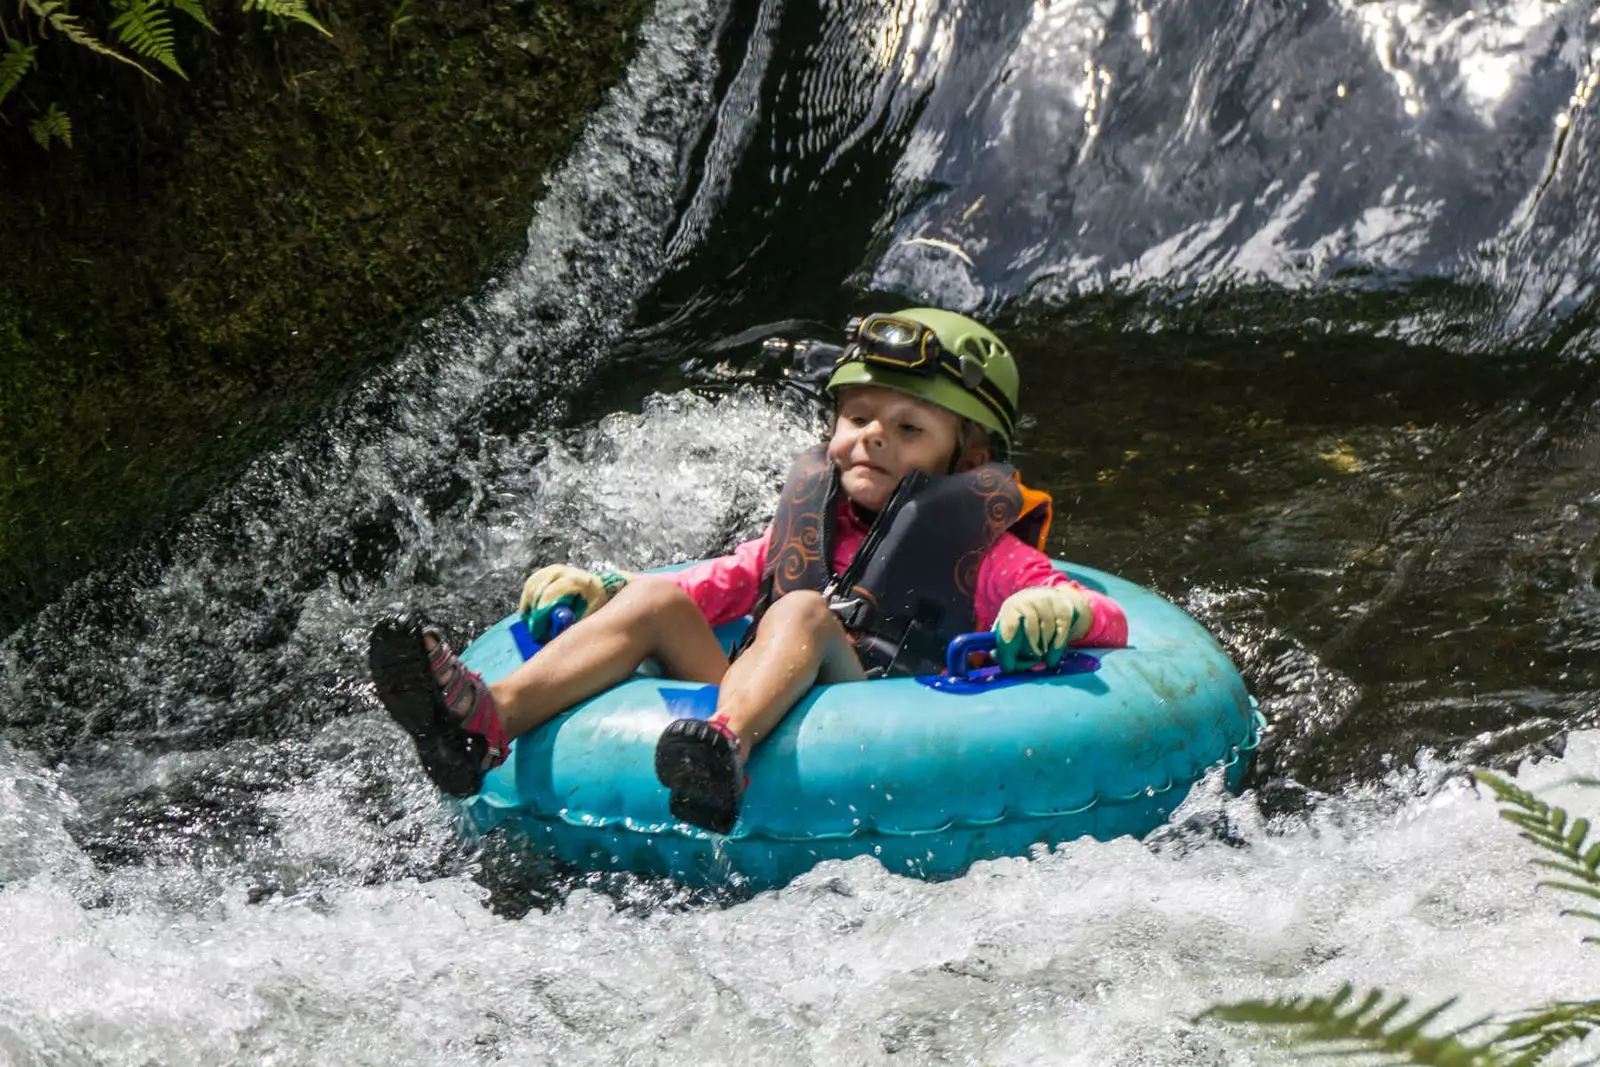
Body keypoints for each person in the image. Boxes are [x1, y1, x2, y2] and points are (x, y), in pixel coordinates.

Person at [368, 308, 1128, 833]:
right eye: (857, 418)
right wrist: (602, 591)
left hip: (870, 717)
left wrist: (1052, 612)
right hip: (756, 690)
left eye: (907, 429)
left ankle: (721, 752)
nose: (871, 440)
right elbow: (707, 588)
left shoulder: (986, 551)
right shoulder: (807, 525)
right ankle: (482, 723)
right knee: (659, 600)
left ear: (969, 460)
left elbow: (1098, 613)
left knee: (797, 614)